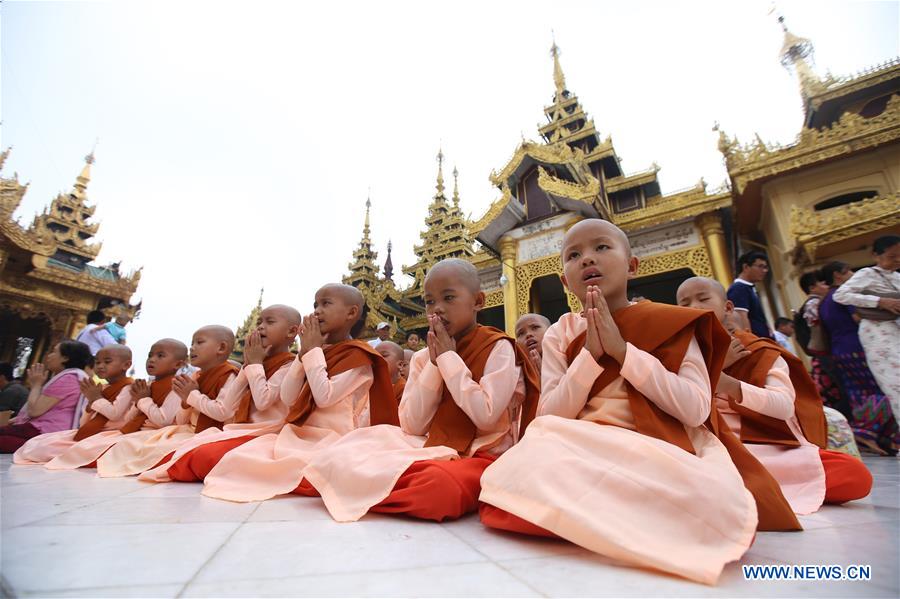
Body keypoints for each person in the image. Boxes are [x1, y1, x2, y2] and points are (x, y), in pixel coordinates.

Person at [478, 219, 792, 585]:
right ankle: (628, 515)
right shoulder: (561, 333)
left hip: (657, 446)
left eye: (601, 247)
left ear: (632, 266)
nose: (587, 259)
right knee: (526, 460)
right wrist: (590, 356)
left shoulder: (673, 322)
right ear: (565, 281)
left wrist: (623, 353)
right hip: (582, 445)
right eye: (574, 255)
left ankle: (590, 515)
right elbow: (550, 415)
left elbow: (695, 409)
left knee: (716, 506)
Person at [300, 259, 539, 523]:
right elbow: (413, 424)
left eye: (449, 298)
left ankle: (366, 485)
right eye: (429, 301)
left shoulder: (498, 347)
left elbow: (486, 416)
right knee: (350, 448)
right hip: (429, 444)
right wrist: (436, 364)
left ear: (478, 301)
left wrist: (448, 360)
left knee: (439, 486)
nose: (437, 308)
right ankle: (367, 483)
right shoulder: (424, 357)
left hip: (479, 453)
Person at [676, 277, 872, 515]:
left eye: (703, 298)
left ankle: (737, 491)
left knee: (854, 475)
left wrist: (728, 384)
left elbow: (783, 406)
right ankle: (739, 489)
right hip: (709, 446)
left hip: (762, 446)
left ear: (727, 307)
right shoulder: (680, 354)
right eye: (684, 304)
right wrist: (713, 369)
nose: (694, 307)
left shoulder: (758, 350)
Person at [199, 284, 399, 503]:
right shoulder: (314, 350)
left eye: (326, 304)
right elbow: (289, 397)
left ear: (351, 313)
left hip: (335, 438)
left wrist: (312, 351)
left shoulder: (358, 356)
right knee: (237, 460)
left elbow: (325, 397)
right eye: (315, 305)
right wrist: (303, 354)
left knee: (292, 470)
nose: (317, 311)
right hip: (300, 434)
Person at [141, 305, 300, 483]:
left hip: (267, 432)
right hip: (237, 430)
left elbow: (262, 401)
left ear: (291, 331)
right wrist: (249, 364)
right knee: (185, 451)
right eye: (259, 322)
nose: (261, 327)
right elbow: (230, 404)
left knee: (200, 456)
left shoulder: (290, 365)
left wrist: (254, 363)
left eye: (269, 322)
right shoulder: (252, 364)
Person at [95, 326, 240, 477]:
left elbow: (223, 413)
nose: (192, 348)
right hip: (187, 429)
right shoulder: (195, 377)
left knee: (156, 448)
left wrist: (191, 395)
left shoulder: (229, 374)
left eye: (199, 342)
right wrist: (186, 402)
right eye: (192, 343)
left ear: (221, 348)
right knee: (130, 444)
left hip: (213, 432)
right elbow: (181, 420)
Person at [44, 339, 186, 470]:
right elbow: (129, 419)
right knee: (48, 442)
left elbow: (164, 420)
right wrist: (92, 402)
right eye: (150, 355)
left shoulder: (175, 386)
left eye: (160, 356)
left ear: (178, 364)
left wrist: (142, 400)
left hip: (153, 434)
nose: (152, 359)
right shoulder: (146, 386)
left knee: (85, 450)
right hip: (129, 432)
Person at [820, 261, 898, 455]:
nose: (852, 273)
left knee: (858, 394)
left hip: (839, 351)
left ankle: (875, 435)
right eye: (848, 270)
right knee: (883, 388)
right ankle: (868, 431)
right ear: (838, 275)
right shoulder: (846, 297)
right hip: (858, 347)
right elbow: (857, 317)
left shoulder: (824, 300)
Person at [13, 345, 134, 464]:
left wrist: (96, 398)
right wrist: (90, 404)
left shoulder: (128, 387)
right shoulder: (102, 387)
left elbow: (114, 414)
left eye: (107, 362)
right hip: (93, 432)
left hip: (110, 435)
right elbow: (85, 422)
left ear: (126, 365)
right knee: (40, 442)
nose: (100, 366)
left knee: (46, 449)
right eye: (97, 362)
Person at [833, 235, 900, 419]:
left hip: (896, 330)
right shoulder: (867, 274)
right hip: (877, 334)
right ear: (876, 255)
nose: (898, 260)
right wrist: (879, 301)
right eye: (892, 256)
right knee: (895, 384)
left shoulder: (897, 277)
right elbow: (840, 295)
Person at [0, 341, 92, 453]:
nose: (49, 356)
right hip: (45, 432)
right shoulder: (73, 377)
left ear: (65, 358)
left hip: (44, 433)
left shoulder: (68, 379)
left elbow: (34, 411)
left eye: (54, 352)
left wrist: (36, 385)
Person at [727, 250, 772, 338]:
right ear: (746, 267)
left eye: (765, 267)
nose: (764, 270)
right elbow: (741, 320)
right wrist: (752, 342)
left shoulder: (749, 288)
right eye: (760, 266)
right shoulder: (739, 288)